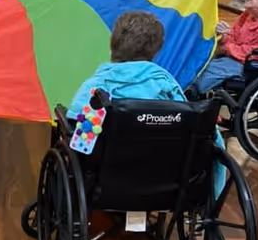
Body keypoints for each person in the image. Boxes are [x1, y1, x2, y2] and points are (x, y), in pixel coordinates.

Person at [67, 10, 226, 196]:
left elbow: (79, 138)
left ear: (113, 45)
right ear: (157, 50)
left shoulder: (96, 87)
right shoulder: (165, 84)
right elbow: (190, 118)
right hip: (164, 179)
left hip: (104, 181)